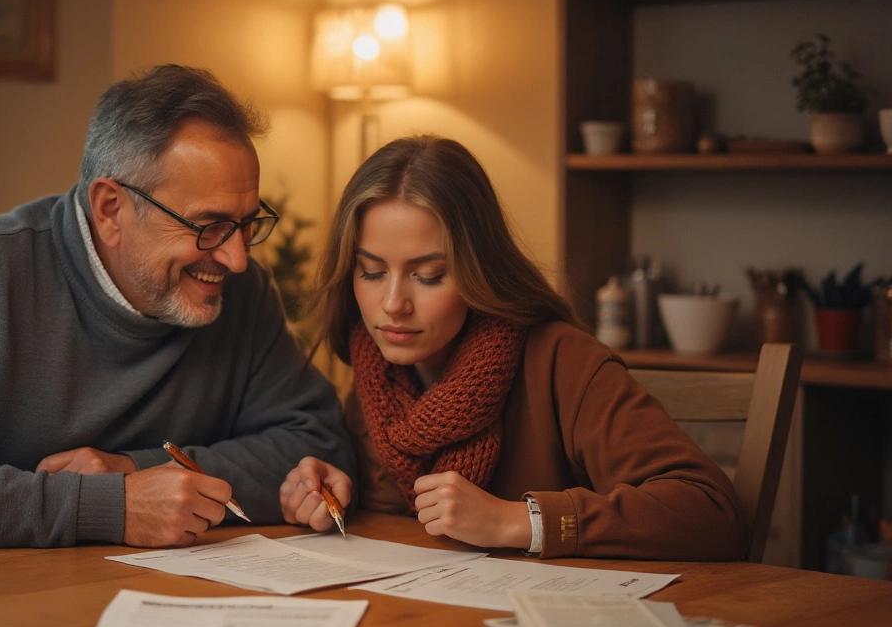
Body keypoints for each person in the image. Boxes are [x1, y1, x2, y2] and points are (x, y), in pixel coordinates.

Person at [0, 65, 355, 549]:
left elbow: (317, 447)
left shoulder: (242, 292)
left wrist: (131, 470)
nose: (237, 258)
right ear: (110, 209)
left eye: (245, 224)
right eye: (208, 225)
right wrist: (111, 507)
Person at [279, 135, 744, 560]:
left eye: (430, 275)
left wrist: (514, 521)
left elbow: (710, 510)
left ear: (479, 270)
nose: (393, 304)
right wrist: (336, 492)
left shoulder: (563, 361)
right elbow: (397, 522)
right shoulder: (376, 375)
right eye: (372, 272)